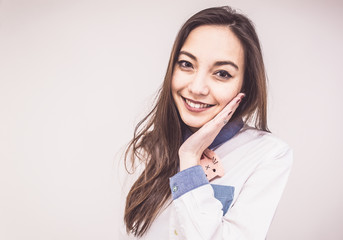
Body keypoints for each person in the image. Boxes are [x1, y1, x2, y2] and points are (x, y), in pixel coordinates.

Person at [121, 6, 293, 240]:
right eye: (186, 64)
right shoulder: (148, 149)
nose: (196, 88)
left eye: (222, 73)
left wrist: (190, 159)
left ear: (245, 85)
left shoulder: (269, 154)